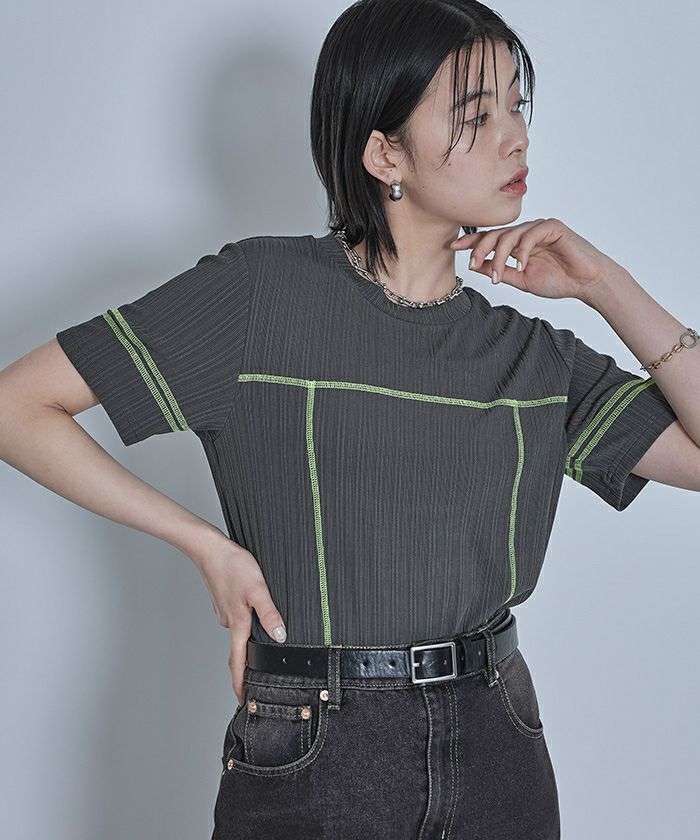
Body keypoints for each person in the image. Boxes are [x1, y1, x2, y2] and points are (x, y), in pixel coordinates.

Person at [1, 1, 698, 838]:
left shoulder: (532, 356)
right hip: (315, 750)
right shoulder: (258, 298)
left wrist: (604, 285)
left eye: (518, 107)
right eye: (476, 115)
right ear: (384, 153)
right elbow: (18, 406)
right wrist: (205, 546)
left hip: (496, 741)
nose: (515, 137)